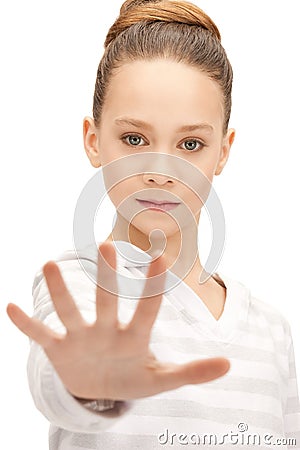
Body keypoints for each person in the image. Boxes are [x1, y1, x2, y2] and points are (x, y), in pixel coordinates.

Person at [6, 0, 300, 448]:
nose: (160, 169)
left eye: (190, 143)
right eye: (134, 138)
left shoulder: (272, 329)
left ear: (223, 151)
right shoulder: (84, 282)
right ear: (93, 140)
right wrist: (88, 385)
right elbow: (58, 381)